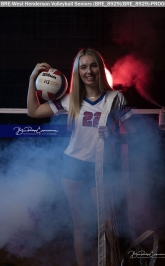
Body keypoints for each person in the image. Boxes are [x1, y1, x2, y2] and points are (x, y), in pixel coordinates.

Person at [27, 48, 132, 266]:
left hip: (103, 166)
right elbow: (34, 112)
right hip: (73, 166)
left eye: (93, 65)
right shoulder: (69, 100)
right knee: (81, 225)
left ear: (100, 69)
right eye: (83, 67)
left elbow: (135, 136)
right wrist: (32, 80)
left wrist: (114, 136)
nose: (89, 71)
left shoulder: (116, 98)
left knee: (109, 226)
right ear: (77, 71)